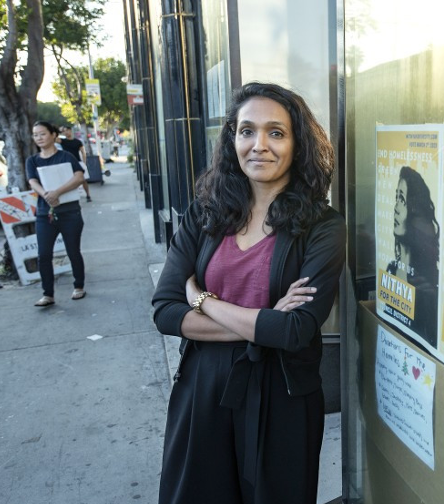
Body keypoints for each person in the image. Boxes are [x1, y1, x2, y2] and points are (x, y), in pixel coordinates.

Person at [152, 82, 346, 504]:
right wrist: (264, 321)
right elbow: (165, 311)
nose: (260, 145)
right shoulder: (205, 213)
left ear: (298, 143)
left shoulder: (323, 227)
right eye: (247, 131)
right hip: (203, 387)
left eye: (276, 132)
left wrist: (203, 301)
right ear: (232, 139)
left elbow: (295, 330)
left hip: (283, 394)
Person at [26, 121, 87, 307]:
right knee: (44, 254)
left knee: (73, 251)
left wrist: (57, 192)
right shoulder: (32, 160)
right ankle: (48, 294)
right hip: (45, 214)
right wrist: (46, 194)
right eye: (35, 135)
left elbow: (79, 177)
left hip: (70, 213)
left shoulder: (66, 156)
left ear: (53, 135)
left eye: (42, 134)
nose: (39, 138)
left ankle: (79, 286)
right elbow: (32, 181)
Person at [386, 165, 439, 346]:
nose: (396, 208)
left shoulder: (428, 280)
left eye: (402, 199)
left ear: (415, 210)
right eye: (396, 198)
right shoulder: (391, 269)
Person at [58, 125, 92, 202]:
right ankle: (71, 196)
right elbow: (53, 138)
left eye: (67, 130)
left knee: (83, 180)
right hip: (67, 164)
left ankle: (88, 195)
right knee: (69, 181)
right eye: (64, 131)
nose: (66, 132)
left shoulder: (77, 142)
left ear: (71, 131)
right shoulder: (62, 141)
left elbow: (83, 152)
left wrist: (84, 162)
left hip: (78, 162)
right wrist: (59, 130)